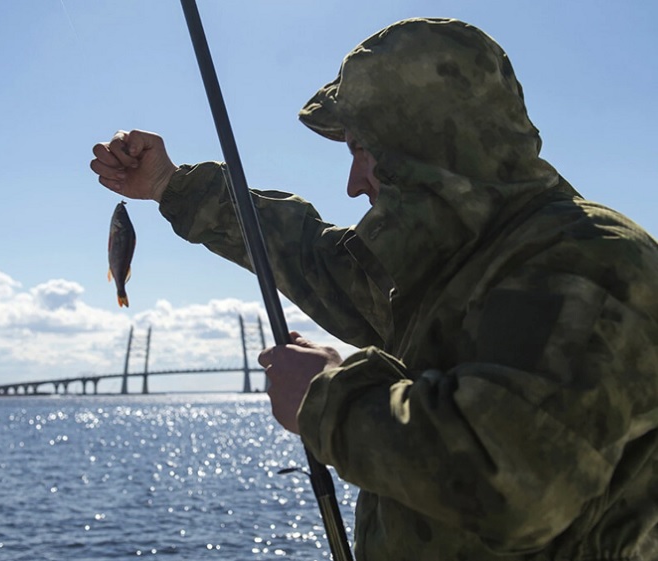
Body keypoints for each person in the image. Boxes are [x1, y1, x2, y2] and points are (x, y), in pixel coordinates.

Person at [91, 17, 658, 561]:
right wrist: (170, 186)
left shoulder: (588, 259)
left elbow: (516, 479)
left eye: (363, 150)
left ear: (425, 146)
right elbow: (304, 253)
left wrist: (329, 398)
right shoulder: (451, 263)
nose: (353, 181)